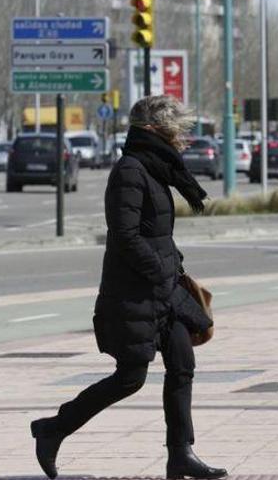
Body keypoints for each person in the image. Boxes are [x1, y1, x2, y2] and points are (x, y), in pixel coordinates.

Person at [30, 95, 226, 480]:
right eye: (176, 130)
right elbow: (125, 236)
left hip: (164, 290)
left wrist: (174, 269)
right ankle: (52, 429)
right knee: (131, 377)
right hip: (135, 293)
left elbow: (156, 233)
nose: (182, 138)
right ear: (154, 131)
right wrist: (159, 271)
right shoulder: (130, 171)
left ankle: (180, 453)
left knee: (183, 364)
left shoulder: (156, 170)